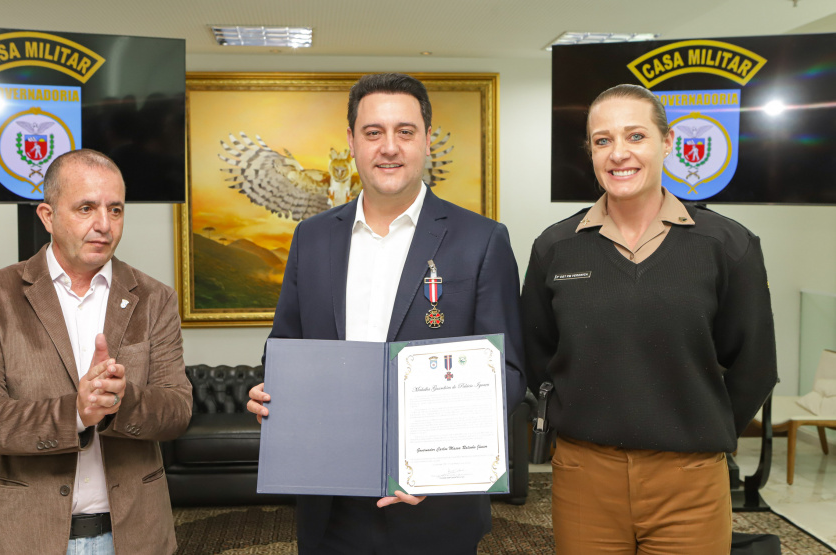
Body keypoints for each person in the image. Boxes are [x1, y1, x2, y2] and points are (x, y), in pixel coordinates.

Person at [246, 72, 526, 555]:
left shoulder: (482, 240)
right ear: (351, 141)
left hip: (435, 508)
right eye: (373, 132)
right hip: (329, 505)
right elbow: (284, 346)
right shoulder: (311, 238)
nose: (389, 147)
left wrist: (439, 465)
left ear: (427, 141)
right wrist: (269, 391)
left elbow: (508, 372)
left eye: (405, 131)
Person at [520, 84, 777, 554]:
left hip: (691, 478)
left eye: (635, 136)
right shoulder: (555, 248)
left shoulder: (728, 245)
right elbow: (537, 354)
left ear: (668, 141)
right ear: (591, 152)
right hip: (584, 475)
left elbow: (755, 364)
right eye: (603, 140)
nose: (619, 153)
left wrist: (698, 425)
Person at [0, 149, 192, 554]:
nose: (104, 225)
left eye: (115, 210)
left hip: (134, 535)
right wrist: (77, 413)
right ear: (48, 216)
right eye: (86, 208)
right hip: (18, 535)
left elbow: (177, 410)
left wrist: (119, 402)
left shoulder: (155, 298)